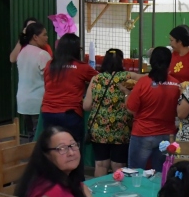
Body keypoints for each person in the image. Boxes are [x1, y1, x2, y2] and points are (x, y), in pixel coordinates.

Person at [83, 49, 140, 177]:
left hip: (99, 129)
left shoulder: (96, 79)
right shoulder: (128, 77)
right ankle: (119, 188)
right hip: (121, 129)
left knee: (101, 164)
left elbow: (86, 106)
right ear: (121, 61)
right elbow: (148, 78)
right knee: (118, 165)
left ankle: (99, 189)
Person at [126, 46, 180, 171]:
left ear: (151, 62)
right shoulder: (176, 85)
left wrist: (127, 94)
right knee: (162, 175)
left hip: (142, 134)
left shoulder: (143, 83)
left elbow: (130, 109)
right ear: (169, 63)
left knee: (135, 173)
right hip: (167, 135)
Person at [41, 33, 98, 147]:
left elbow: (47, 85)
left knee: (52, 148)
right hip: (69, 114)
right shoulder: (82, 67)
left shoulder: (49, 65)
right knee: (72, 149)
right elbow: (103, 80)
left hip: (48, 112)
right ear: (76, 50)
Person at [16, 22, 52, 140]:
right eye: (44, 35)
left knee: (31, 135)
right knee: (40, 137)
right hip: (37, 102)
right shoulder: (42, 54)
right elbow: (51, 78)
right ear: (35, 37)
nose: (47, 37)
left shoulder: (22, 52)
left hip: (23, 102)